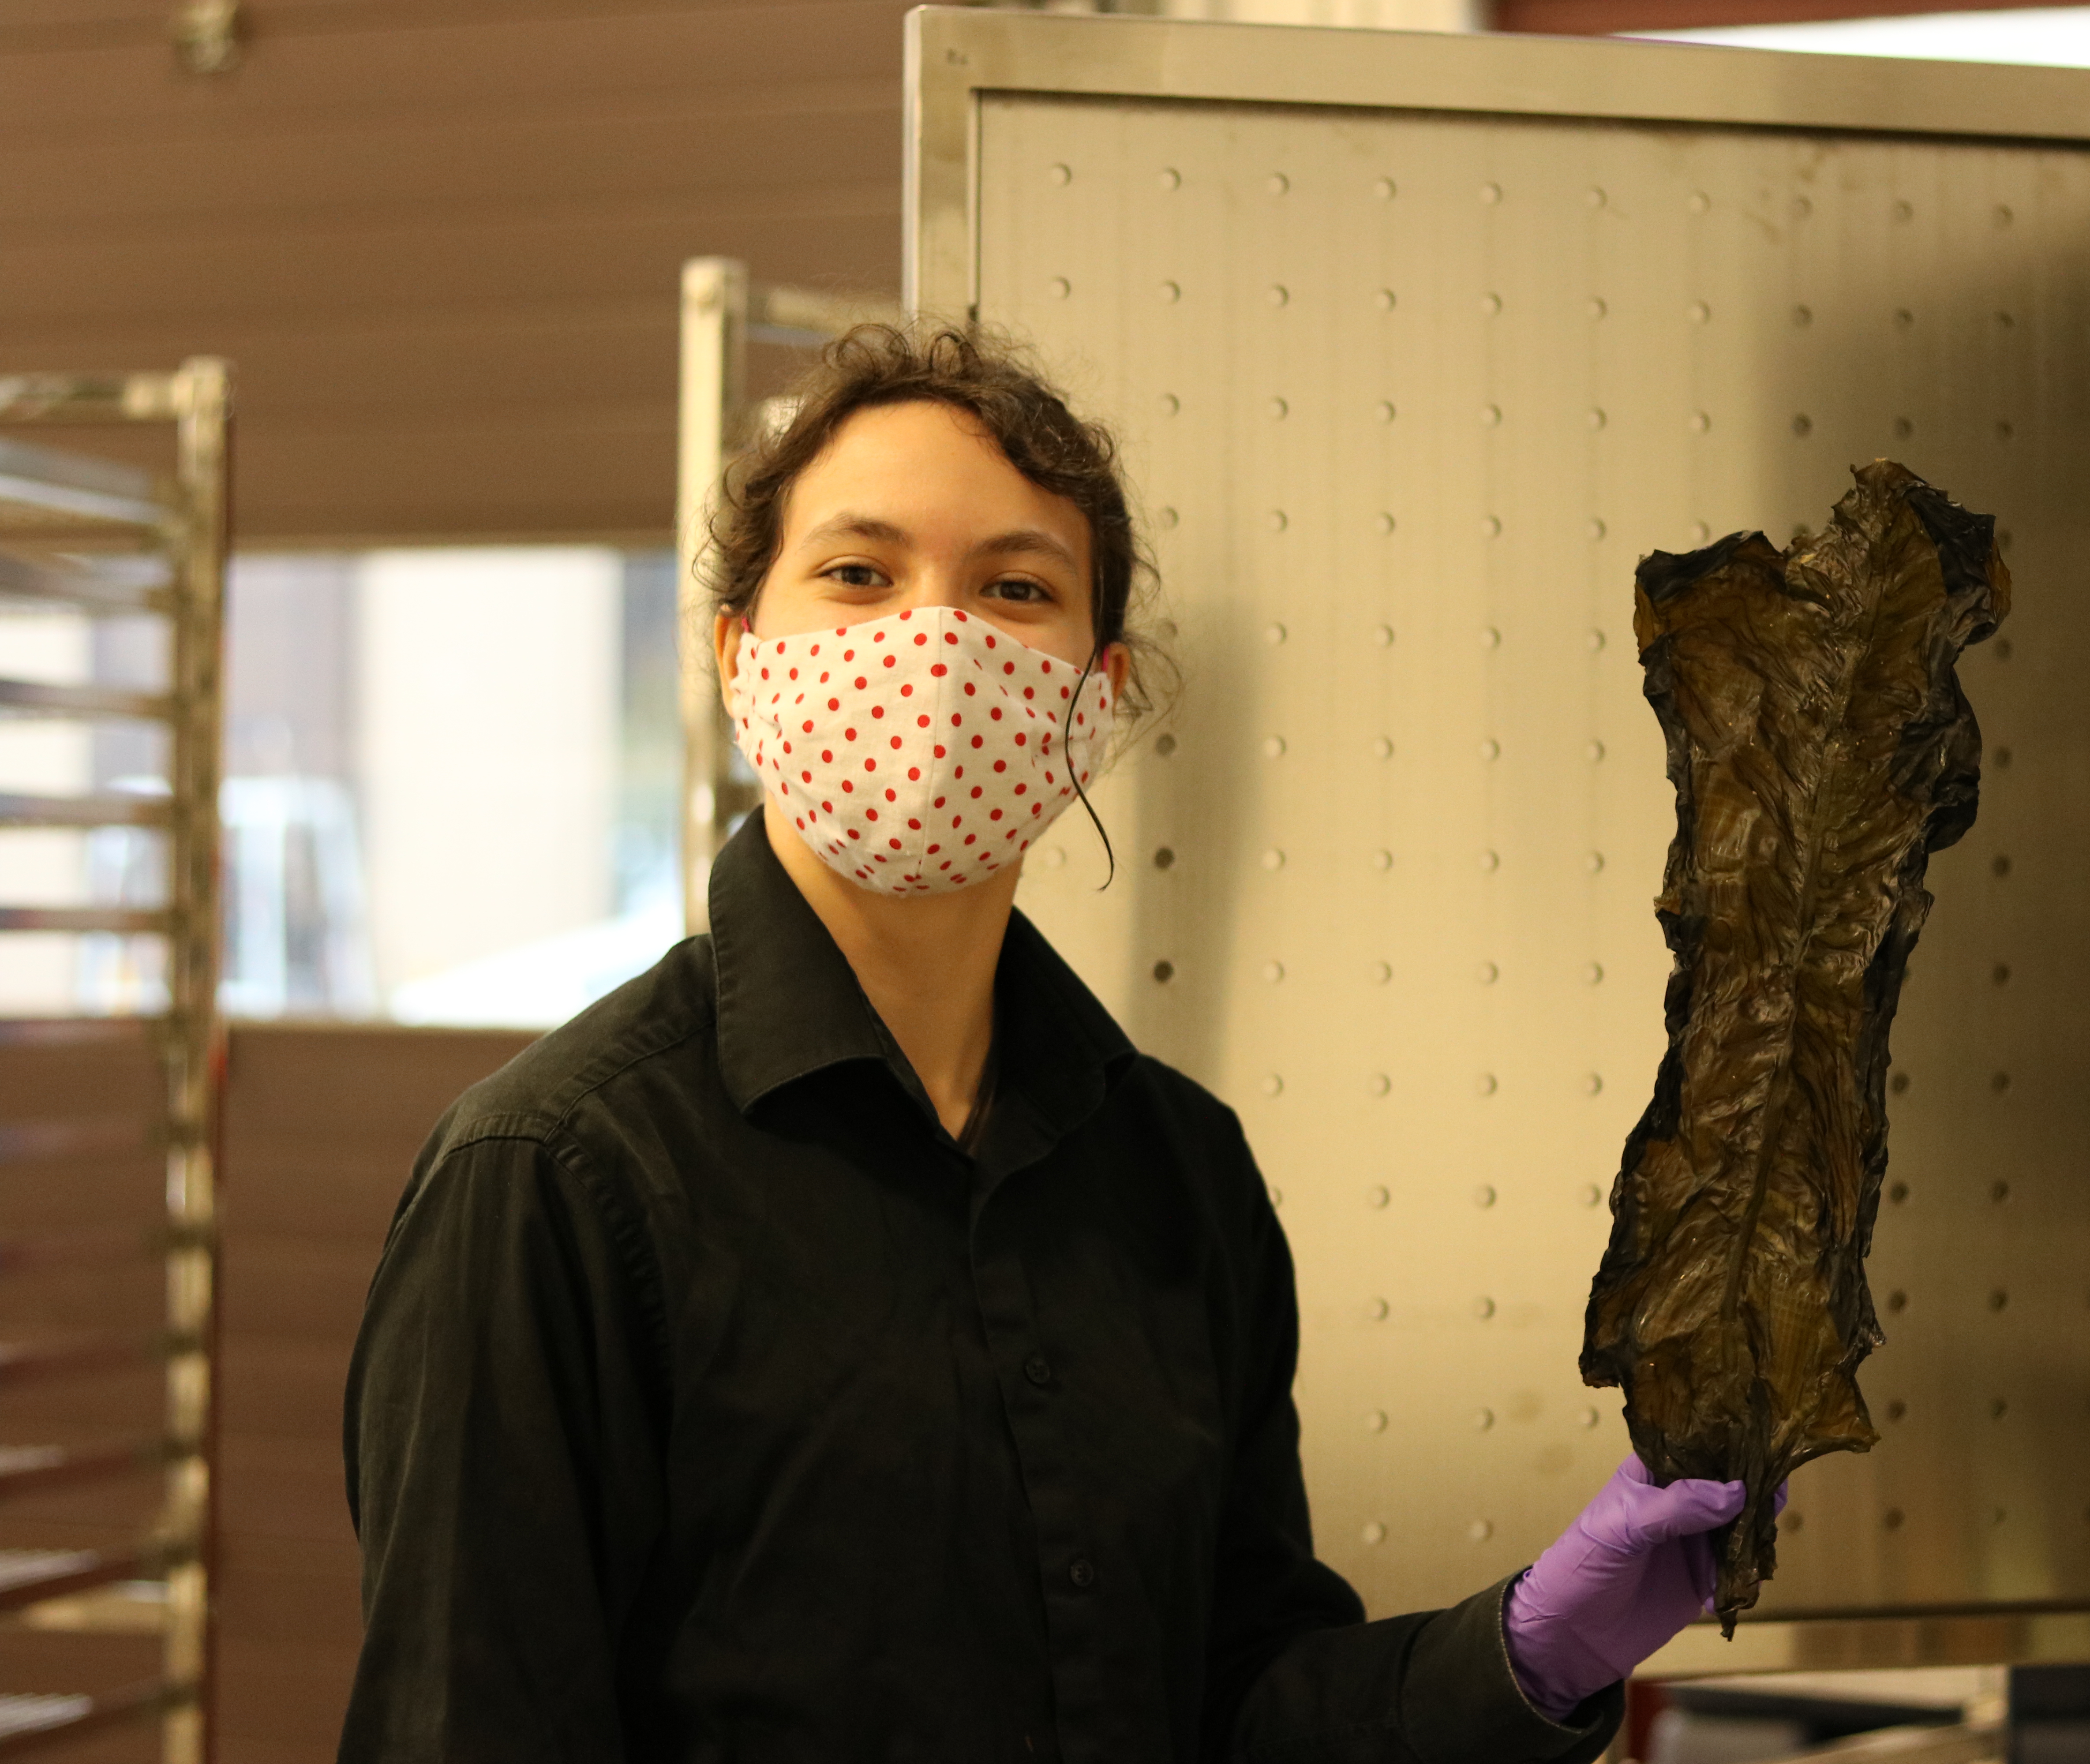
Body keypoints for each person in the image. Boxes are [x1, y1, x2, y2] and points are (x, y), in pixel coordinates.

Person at [338, 322, 1751, 1763]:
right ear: (737, 660)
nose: (932, 643)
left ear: (1098, 696)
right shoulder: (552, 1179)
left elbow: (1235, 1699)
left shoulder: (1178, 1175)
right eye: (857, 574)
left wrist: (1521, 1657)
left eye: (1016, 588)